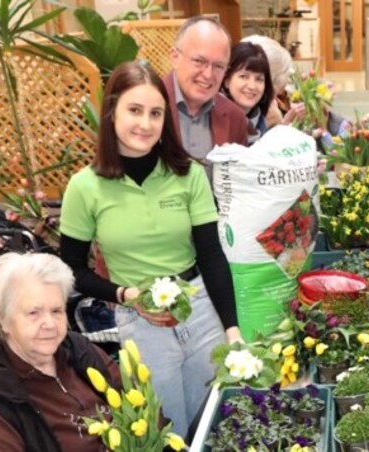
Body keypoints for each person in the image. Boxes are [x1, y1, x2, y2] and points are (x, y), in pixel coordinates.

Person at [59, 61, 241, 437]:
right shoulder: (85, 187)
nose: (145, 123)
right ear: (112, 113)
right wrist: (125, 295)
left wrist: (232, 330)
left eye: (156, 113)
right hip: (141, 324)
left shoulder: (187, 174)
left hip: (201, 313)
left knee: (212, 424)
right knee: (167, 429)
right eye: (134, 110)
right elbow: (72, 269)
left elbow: (211, 255)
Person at [0, 252, 122, 451]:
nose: (49, 324)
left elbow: (138, 403)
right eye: (34, 312)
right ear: (3, 320)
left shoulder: (78, 349)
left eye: (56, 311)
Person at [165, 16, 248, 170]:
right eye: (199, 61)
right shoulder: (148, 106)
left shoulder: (234, 117)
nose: (208, 74)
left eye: (218, 66)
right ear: (175, 57)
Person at [221, 42, 275, 145]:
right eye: (244, 76)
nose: (252, 86)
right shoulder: (214, 119)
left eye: (259, 79)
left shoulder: (259, 121)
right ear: (226, 80)